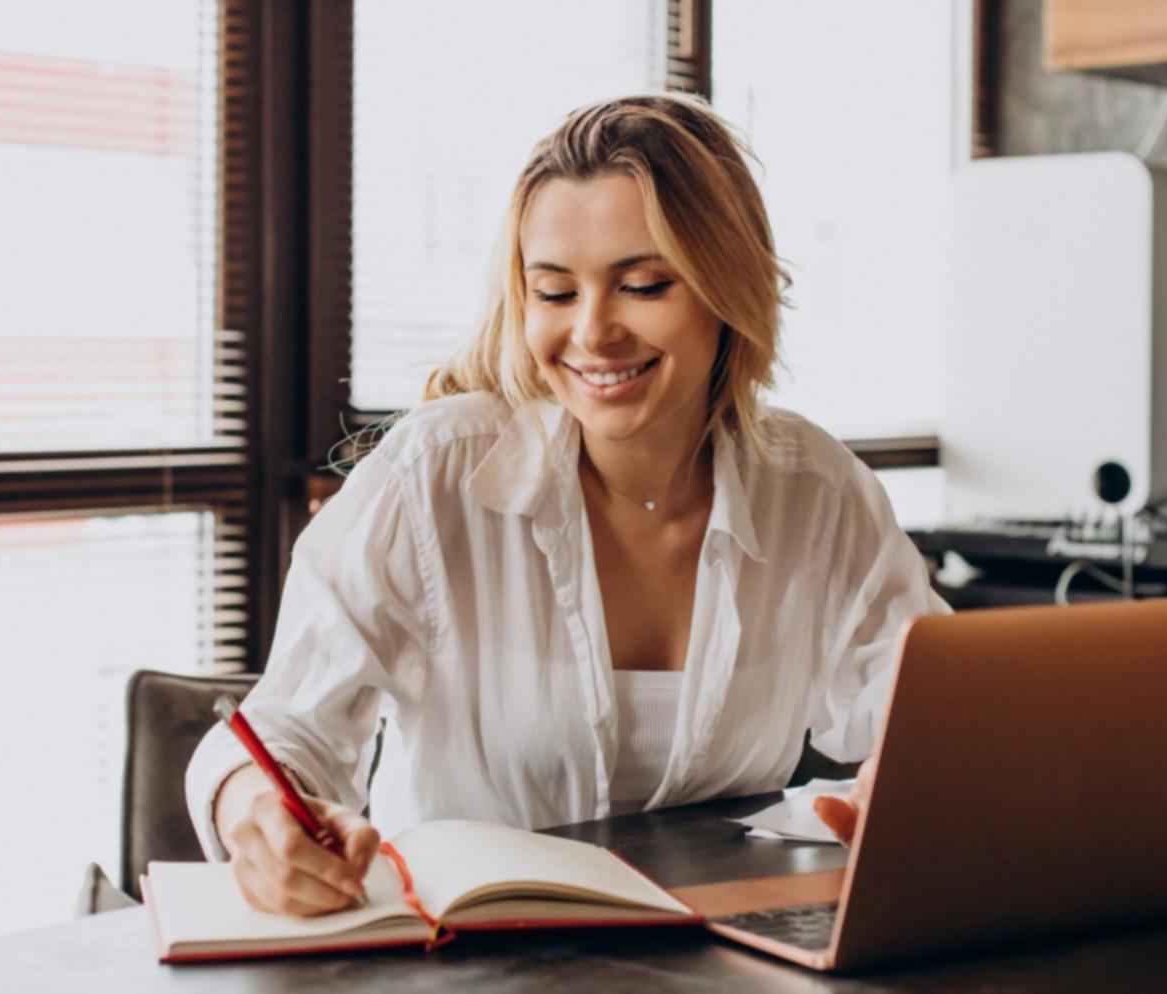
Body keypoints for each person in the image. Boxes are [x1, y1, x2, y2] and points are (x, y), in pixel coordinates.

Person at [185, 92, 949, 916]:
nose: (593, 334)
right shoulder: (435, 476)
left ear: (727, 287)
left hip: (724, 957)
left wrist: (905, 785)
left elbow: (933, 713)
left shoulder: (814, 489)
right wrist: (257, 813)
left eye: (644, 284)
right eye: (554, 293)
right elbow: (284, 731)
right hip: (471, 962)